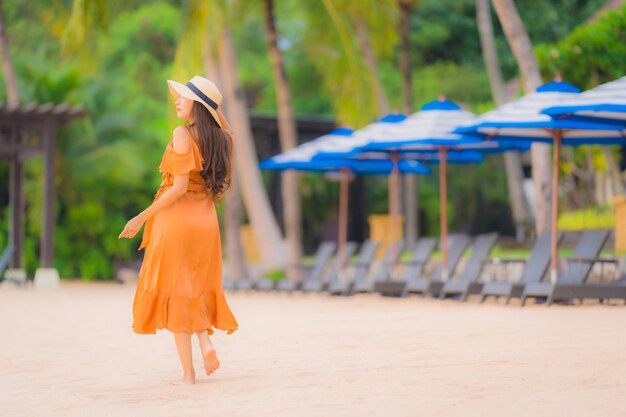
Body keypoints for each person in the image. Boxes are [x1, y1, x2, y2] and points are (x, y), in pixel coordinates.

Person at [118, 75, 239, 386]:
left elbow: (179, 187)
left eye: (184, 97)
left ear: (198, 105)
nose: (177, 100)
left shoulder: (182, 133)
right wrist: (213, 108)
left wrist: (141, 217)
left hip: (178, 221)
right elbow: (228, 131)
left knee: (176, 290)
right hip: (206, 222)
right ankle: (205, 342)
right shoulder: (223, 139)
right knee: (194, 287)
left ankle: (188, 375)